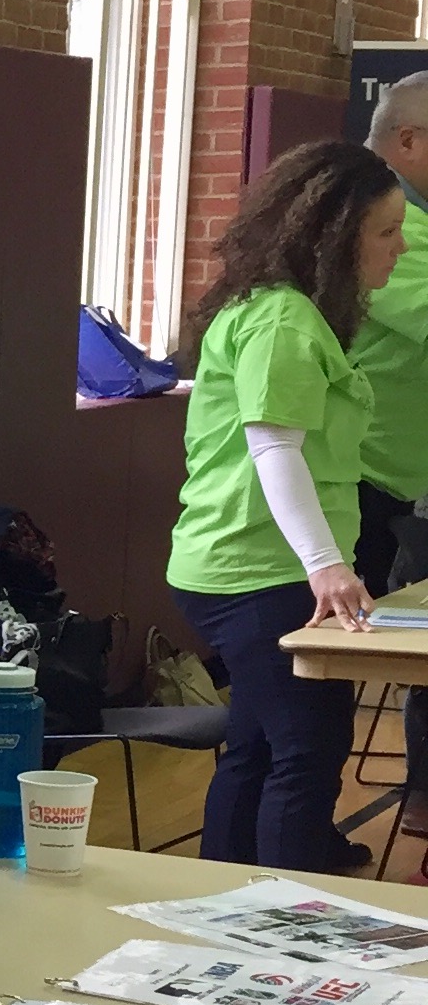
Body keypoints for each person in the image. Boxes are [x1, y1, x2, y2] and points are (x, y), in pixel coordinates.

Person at [168, 137, 407, 872]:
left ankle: (224, 894)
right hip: (258, 570)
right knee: (307, 751)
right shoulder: (282, 322)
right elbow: (276, 451)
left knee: (259, 743)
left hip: (253, 566)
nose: (398, 250)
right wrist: (328, 567)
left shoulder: (288, 313)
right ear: (335, 238)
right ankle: (285, 921)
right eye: (386, 233)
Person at [352, 72, 428, 833]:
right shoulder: (376, 215)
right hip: (362, 476)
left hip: (406, 478)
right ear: (407, 140)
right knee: (313, 687)